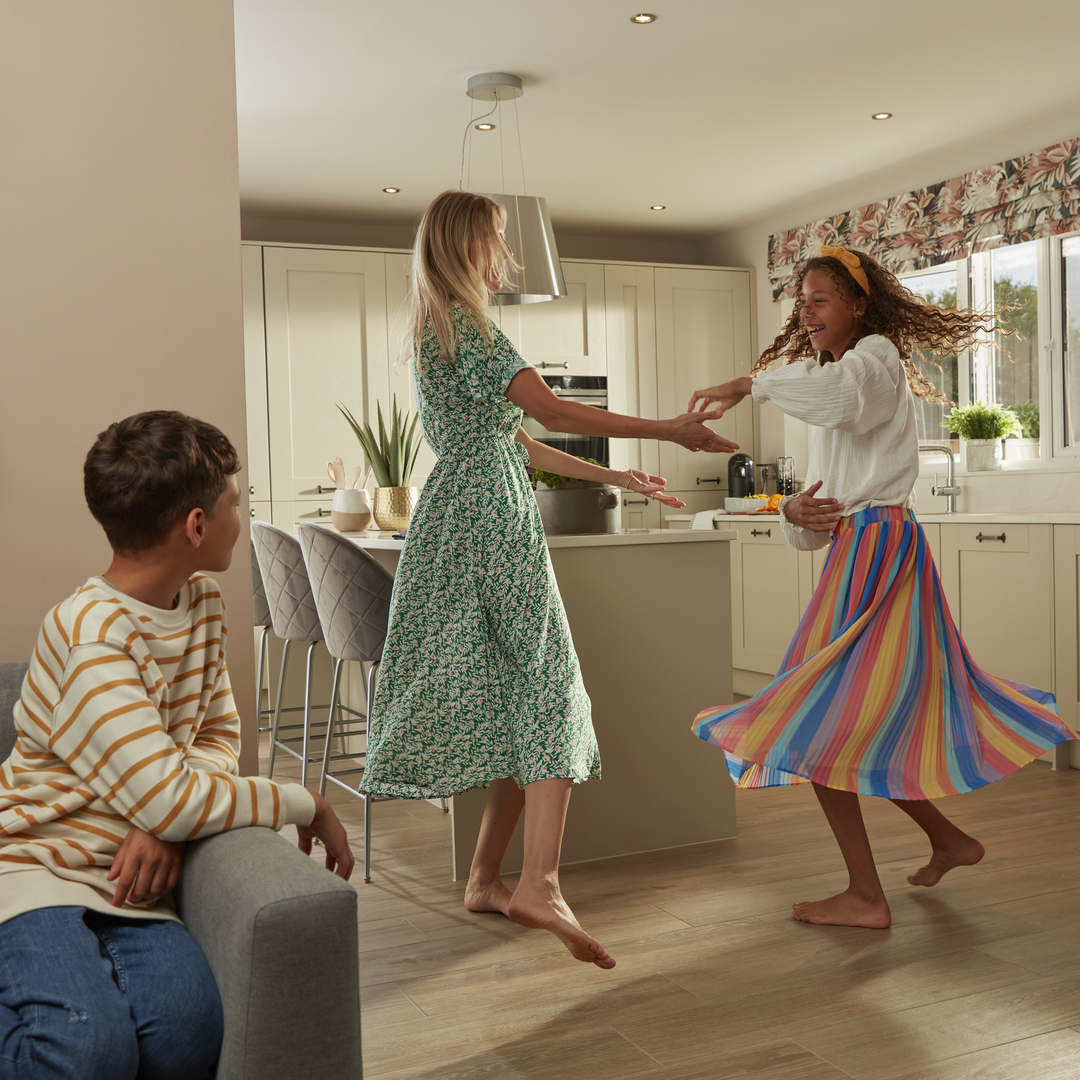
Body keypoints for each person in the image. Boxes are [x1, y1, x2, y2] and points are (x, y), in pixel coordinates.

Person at [359, 189, 736, 969]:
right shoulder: (471, 328)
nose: (505, 255)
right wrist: (667, 429)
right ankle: (542, 882)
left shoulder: (437, 327)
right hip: (489, 520)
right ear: (467, 245)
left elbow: (516, 442)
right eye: (495, 239)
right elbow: (555, 414)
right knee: (552, 687)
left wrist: (617, 476)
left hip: (463, 510)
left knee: (513, 693)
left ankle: (486, 880)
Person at [688, 246, 1076, 929]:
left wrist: (751, 385)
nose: (806, 313)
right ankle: (946, 841)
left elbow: (842, 404)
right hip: (862, 549)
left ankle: (867, 896)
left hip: (880, 549)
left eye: (820, 300)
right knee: (859, 718)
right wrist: (792, 512)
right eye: (801, 302)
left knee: (819, 721)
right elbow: (821, 511)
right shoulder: (835, 374)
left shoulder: (875, 359)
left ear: (858, 306)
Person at [0, 411, 354, 1080]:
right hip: (34, 871)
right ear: (196, 525)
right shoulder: (92, 636)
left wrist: (164, 818)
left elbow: (215, 737)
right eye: (235, 504)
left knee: (186, 1033)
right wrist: (302, 801)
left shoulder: (202, 603)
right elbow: (170, 798)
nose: (240, 517)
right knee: (86, 1049)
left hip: (131, 877)